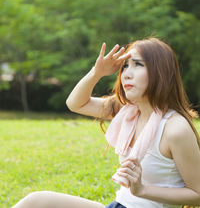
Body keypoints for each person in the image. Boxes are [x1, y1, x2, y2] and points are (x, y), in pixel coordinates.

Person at [12, 37, 200, 208]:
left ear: (160, 72)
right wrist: (97, 72)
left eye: (137, 64)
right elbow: (75, 103)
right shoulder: (129, 111)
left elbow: (197, 194)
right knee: (36, 201)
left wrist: (142, 190)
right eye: (125, 66)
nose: (126, 73)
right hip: (119, 205)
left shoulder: (175, 128)